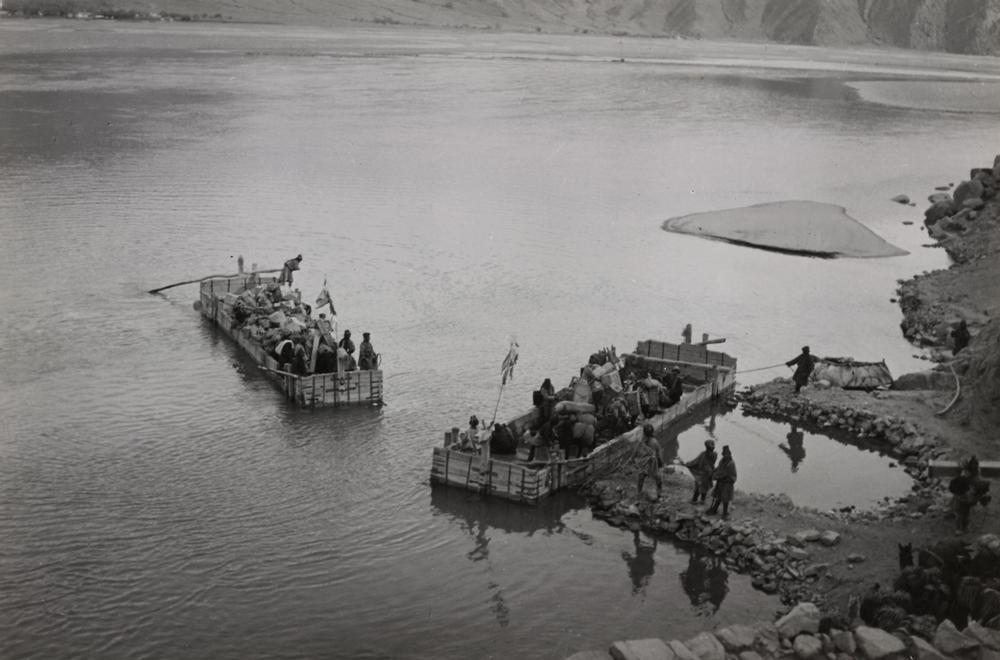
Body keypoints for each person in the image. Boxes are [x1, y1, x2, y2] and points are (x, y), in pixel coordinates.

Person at [707, 445, 737, 517]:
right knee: (718, 496)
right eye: (724, 454)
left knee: (725, 498)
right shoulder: (722, 460)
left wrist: (715, 477)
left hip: (727, 483)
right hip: (721, 482)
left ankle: (724, 513)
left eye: (726, 454)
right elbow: (719, 468)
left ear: (729, 454)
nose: (725, 456)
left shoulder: (731, 464)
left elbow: (725, 474)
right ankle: (714, 509)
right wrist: (713, 471)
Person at [685, 439, 718, 504]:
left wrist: (687, 464)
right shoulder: (715, 454)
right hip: (709, 473)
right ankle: (702, 500)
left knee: (698, 487)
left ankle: (694, 500)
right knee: (705, 488)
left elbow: (695, 462)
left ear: (706, 447)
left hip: (702, 474)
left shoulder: (703, 454)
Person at [637, 423, 664, 500]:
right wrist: (661, 463)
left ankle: (639, 492)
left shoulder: (642, 440)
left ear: (644, 432)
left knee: (641, 478)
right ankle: (659, 494)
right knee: (658, 479)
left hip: (644, 463)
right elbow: (659, 454)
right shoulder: (654, 442)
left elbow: (638, 452)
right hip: (652, 464)